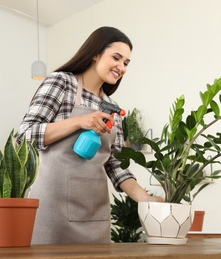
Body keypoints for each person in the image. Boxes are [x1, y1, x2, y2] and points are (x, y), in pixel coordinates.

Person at [17, 26, 163, 245]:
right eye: (116, 58)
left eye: (126, 63)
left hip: (95, 213)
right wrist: (78, 121)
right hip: (52, 212)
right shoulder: (62, 83)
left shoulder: (113, 108)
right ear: (95, 54)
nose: (121, 67)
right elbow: (25, 135)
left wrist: (146, 199)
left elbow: (114, 163)